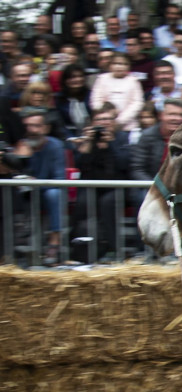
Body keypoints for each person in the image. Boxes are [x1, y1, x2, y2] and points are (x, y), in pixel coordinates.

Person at [70, 102, 131, 261]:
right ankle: (76, 248)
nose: (104, 123)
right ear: (92, 123)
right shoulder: (88, 140)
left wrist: (110, 144)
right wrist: (88, 144)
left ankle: (114, 248)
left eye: (108, 119)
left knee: (107, 202)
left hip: (117, 187)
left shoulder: (122, 138)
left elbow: (124, 164)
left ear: (114, 121)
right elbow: (80, 166)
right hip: (92, 186)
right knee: (82, 203)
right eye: (100, 120)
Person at [9, 109, 66, 264]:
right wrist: (21, 158)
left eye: (36, 126)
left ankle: (55, 242)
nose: (31, 130)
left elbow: (59, 178)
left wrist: (35, 181)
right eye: (27, 126)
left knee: (54, 194)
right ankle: (11, 248)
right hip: (22, 191)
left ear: (45, 128)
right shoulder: (19, 145)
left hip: (46, 191)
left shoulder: (55, 146)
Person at [89, 51, 143, 132]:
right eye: (116, 63)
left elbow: (137, 103)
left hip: (128, 126)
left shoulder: (133, 81)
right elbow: (95, 100)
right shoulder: (102, 79)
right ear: (110, 65)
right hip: (103, 124)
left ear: (129, 66)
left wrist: (119, 121)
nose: (119, 67)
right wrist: (106, 117)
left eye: (123, 64)